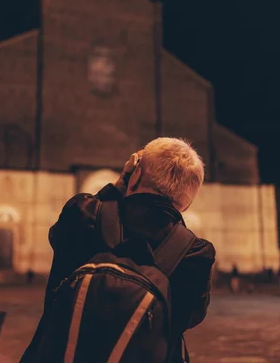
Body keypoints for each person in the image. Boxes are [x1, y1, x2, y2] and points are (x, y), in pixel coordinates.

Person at [21, 137, 216, 362]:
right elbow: (188, 319)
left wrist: (119, 185)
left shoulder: (84, 214)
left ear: (135, 175)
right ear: (188, 202)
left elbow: (57, 236)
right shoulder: (196, 253)